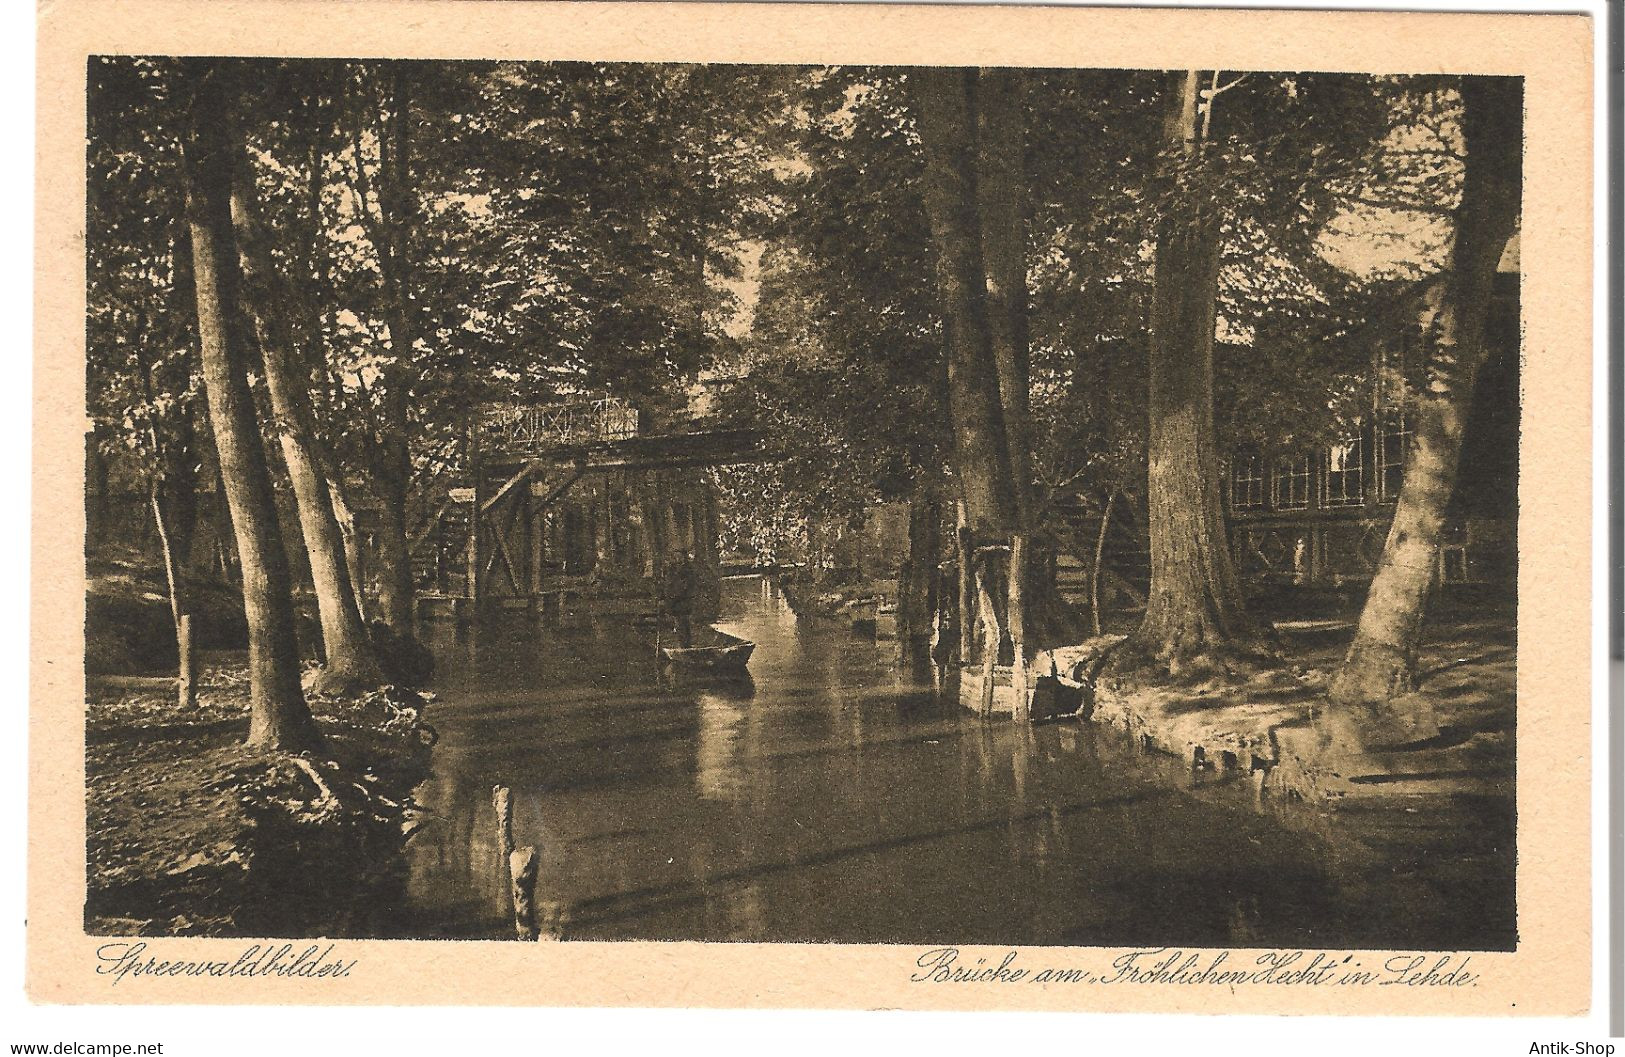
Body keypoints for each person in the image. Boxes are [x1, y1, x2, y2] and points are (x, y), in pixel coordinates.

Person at [663, 547, 697, 648]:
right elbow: (669, 585)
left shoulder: (687, 569)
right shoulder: (672, 570)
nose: (678, 558)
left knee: (685, 623)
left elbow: (689, 585)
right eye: (676, 556)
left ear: (684, 557)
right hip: (675, 601)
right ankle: (683, 645)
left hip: (684, 600)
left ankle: (687, 645)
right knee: (679, 623)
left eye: (680, 556)